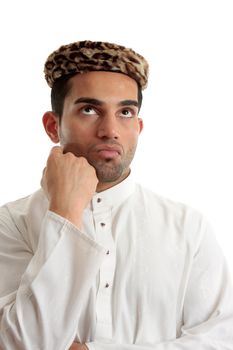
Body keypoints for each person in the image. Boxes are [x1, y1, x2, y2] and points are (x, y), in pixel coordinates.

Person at [0, 40, 232, 350]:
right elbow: (19, 343)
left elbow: (220, 340)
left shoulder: (187, 226)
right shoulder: (12, 223)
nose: (110, 130)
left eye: (125, 112)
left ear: (139, 126)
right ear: (53, 126)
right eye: (89, 109)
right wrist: (64, 213)